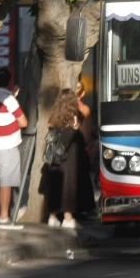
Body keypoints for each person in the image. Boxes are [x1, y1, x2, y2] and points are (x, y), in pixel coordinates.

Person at [42, 90, 95, 228]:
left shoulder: (53, 117)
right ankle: (68, 217)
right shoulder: (76, 117)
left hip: (54, 157)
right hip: (70, 157)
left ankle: (52, 217)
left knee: (54, 185)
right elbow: (84, 136)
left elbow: (51, 130)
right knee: (68, 187)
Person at [0, 68, 27, 229]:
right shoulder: (9, 98)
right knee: (6, 182)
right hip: (8, 145)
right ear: (9, 81)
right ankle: (4, 218)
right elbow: (24, 122)